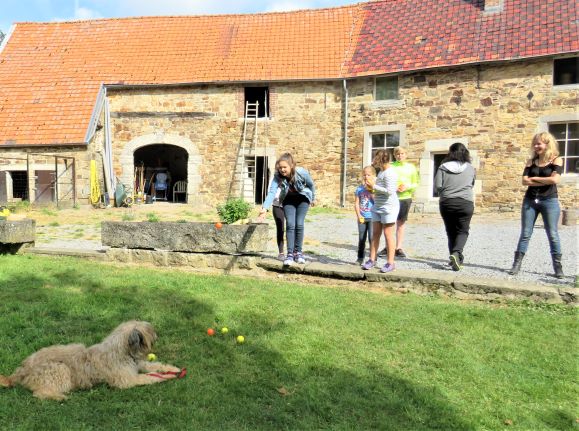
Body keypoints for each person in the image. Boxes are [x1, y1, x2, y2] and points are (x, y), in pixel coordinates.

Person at [508, 132, 564, 278]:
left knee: (552, 234)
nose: (536, 146)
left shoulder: (556, 160)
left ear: (547, 144)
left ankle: (558, 267)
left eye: (539, 143)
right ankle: (516, 265)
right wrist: (545, 179)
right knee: (525, 233)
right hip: (530, 200)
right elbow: (524, 181)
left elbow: (555, 180)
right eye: (535, 143)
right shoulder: (531, 161)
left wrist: (534, 178)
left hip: (549, 200)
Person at [259, 153, 315, 266]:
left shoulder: (301, 172)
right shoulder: (277, 176)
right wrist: (264, 208)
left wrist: (312, 198)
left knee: (299, 224)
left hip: (302, 198)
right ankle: (290, 254)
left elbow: (311, 185)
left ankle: (298, 253)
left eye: (285, 167)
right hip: (288, 199)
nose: (282, 170)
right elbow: (272, 192)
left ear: (292, 165)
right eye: (280, 167)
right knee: (290, 224)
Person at [434, 142, 476, 271]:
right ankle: (457, 254)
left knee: (450, 231)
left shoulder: (442, 167)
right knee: (463, 230)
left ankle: (454, 258)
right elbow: (472, 184)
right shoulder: (471, 168)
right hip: (465, 203)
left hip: (447, 203)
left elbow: (438, 186)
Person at [362, 150, 399, 273]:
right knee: (376, 234)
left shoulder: (390, 173)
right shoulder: (382, 172)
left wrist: (374, 186)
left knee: (388, 235)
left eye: (376, 159)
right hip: (377, 206)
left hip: (389, 207)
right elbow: (379, 190)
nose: (374, 162)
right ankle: (372, 259)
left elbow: (390, 191)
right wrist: (371, 188)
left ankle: (390, 263)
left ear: (383, 159)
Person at [390, 147, 419, 257]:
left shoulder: (411, 168)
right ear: (394, 155)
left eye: (402, 153)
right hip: (392, 198)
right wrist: (394, 188)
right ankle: (389, 246)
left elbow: (416, 183)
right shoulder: (391, 167)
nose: (400, 156)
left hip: (405, 198)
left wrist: (407, 187)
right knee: (390, 223)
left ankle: (399, 247)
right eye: (397, 154)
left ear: (406, 155)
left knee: (401, 223)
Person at [354, 166, 375, 264]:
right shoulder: (359, 189)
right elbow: (357, 203)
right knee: (361, 238)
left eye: (368, 175)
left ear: (373, 176)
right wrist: (359, 215)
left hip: (372, 217)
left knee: (372, 238)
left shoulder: (375, 188)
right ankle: (360, 258)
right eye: (364, 175)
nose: (366, 177)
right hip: (362, 217)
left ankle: (373, 258)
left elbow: (376, 201)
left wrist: (371, 190)